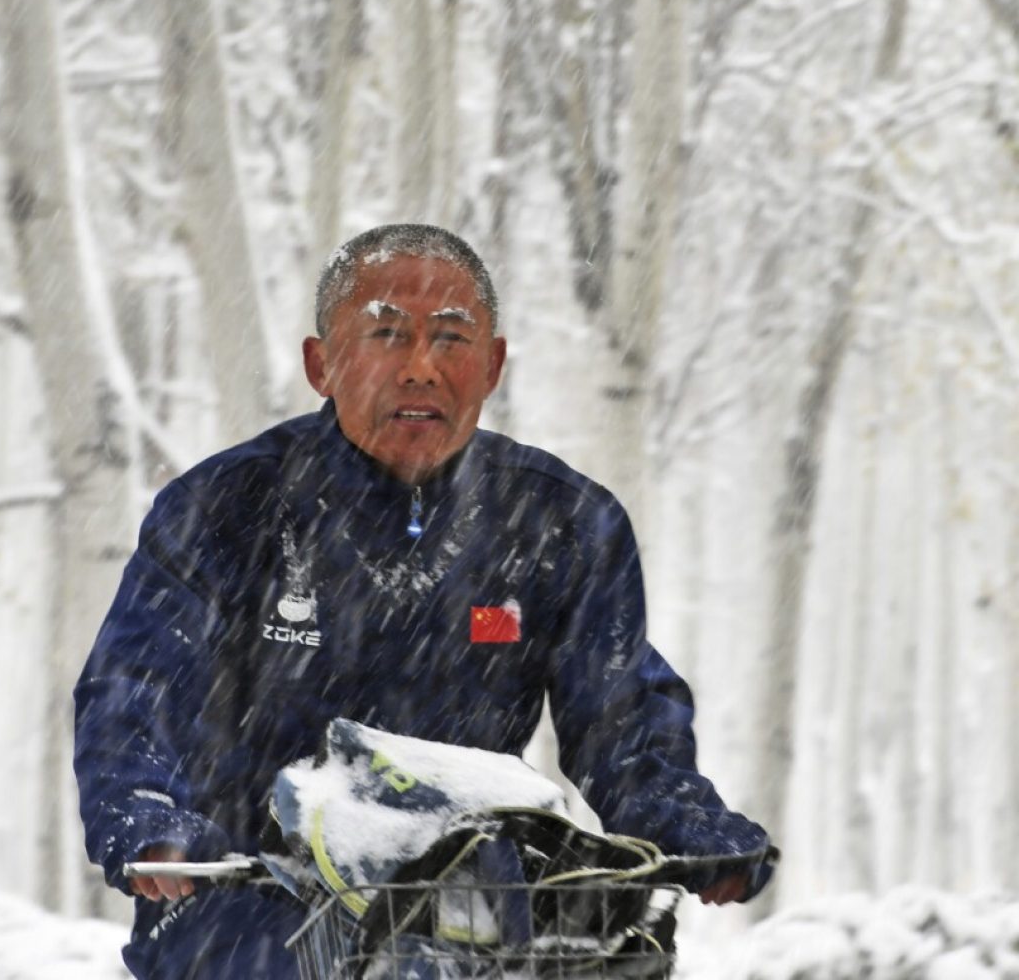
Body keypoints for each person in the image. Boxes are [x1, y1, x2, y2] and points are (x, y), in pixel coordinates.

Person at [74, 224, 775, 979]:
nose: (420, 368)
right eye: (385, 333)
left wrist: (682, 819)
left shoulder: (564, 521)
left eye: (450, 338)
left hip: (473, 908)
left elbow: (621, 719)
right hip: (247, 910)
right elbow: (132, 692)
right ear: (321, 364)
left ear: (494, 364)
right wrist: (146, 819)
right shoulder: (221, 508)